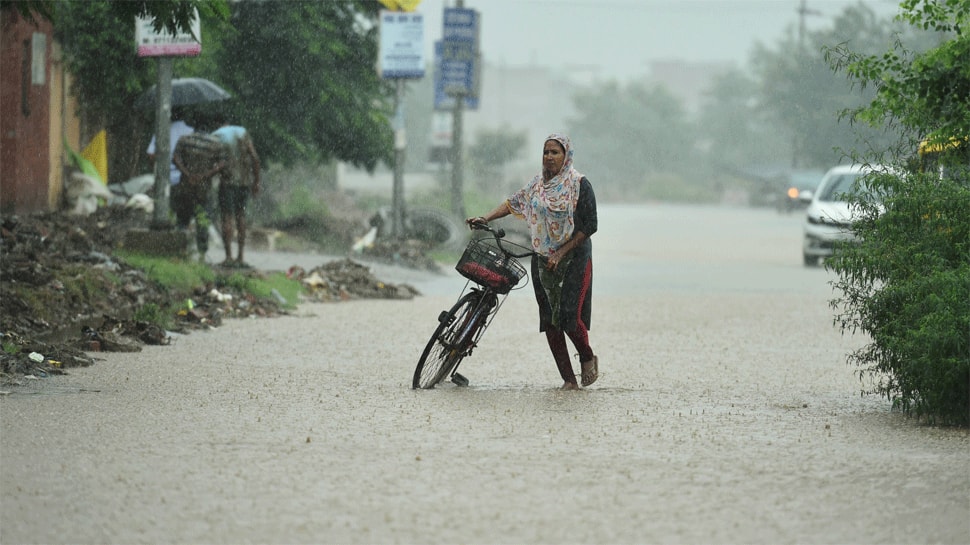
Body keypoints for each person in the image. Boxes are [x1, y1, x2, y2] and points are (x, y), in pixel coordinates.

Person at [466, 133, 599, 390]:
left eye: (555, 153)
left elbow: (590, 226)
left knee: (570, 317)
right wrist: (486, 218)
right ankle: (569, 382)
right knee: (550, 321)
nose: (549, 157)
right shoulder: (537, 185)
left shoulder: (579, 184)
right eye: (546, 152)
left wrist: (561, 253)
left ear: (566, 157)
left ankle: (586, 355)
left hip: (573, 257)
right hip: (542, 257)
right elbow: (512, 203)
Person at [171, 121, 227, 262]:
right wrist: (205, 175)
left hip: (185, 186)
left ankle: (180, 251)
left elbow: (175, 158)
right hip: (203, 189)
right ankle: (202, 254)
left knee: (183, 220)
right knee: (202, 220)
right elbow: (222, 164)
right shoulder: (215, 143)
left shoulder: (185, 140)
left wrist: (187, 173)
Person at [211, 115, 261, 268]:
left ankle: (228, 257)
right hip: (244, 183)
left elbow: (214, 163)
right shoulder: (241, 132)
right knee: (241, 216)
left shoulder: (216, 136)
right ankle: (240, 256)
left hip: (227, 182)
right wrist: (256, 181)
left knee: (227, 217)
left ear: (217, 124)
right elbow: (254, 157)